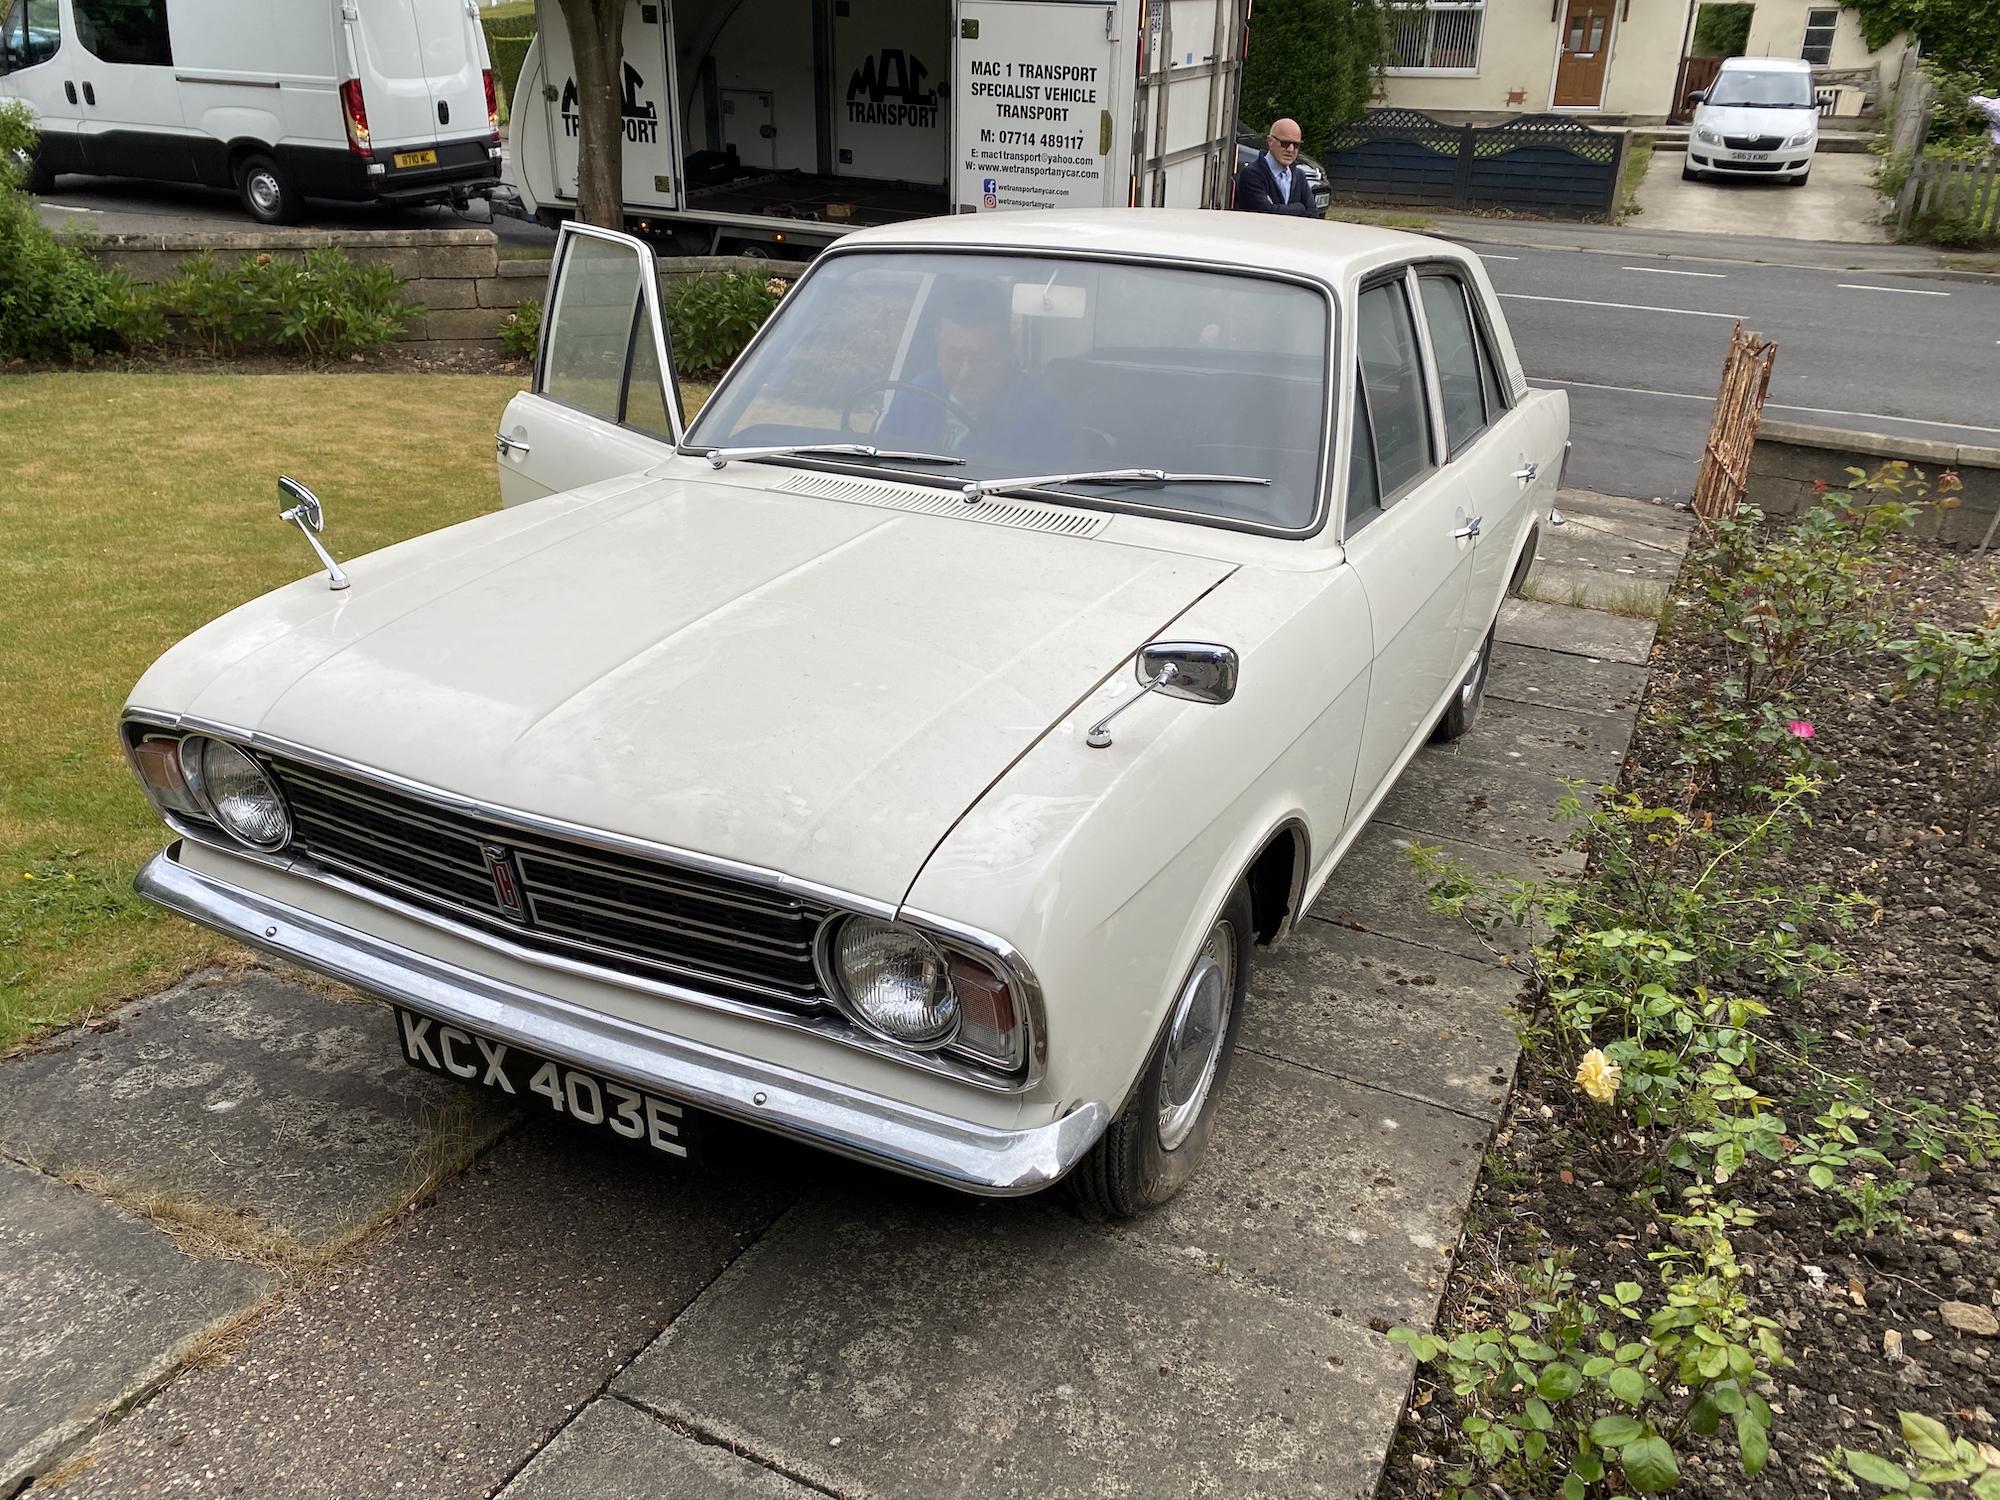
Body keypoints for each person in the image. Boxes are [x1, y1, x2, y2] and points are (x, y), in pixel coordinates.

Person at [876, 279, 1072, 464]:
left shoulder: (1039, 417)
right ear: (939, 343)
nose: (965, 374)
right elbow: (877, 467)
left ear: (1008, 352)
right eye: (954, 356)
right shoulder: (915, 394)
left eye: (981, 359)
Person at [1234, 118, 1322, 218]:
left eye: (1296, 145)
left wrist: (1275, 208)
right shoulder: (1251, 174)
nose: (1290, 149)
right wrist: (1300, 208)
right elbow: (1263, 214)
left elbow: (1313, 214)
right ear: (1270, 141)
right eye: (1285, 144)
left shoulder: (1299, 175)